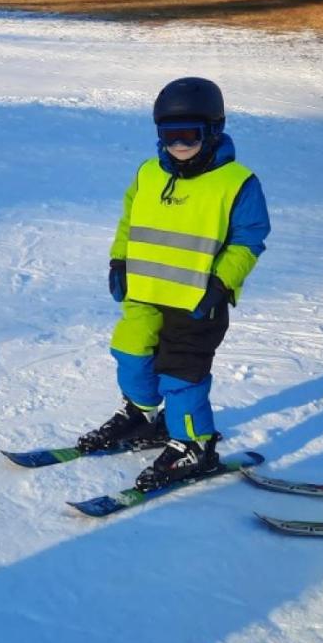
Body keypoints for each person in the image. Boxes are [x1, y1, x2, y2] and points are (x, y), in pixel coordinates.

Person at [77, 77, 270, 489]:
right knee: (130, 353)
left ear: (214, 131)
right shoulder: (148, 173)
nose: (179, 146)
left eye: (189, 136)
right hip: (143, 292)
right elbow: (130, 221)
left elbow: (249, 239)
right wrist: (119, 260)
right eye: (169, 136)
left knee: (182, 376)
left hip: (197, 300)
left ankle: (195, 443)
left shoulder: (237, 182)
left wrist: (221, 283)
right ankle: (142, 415)